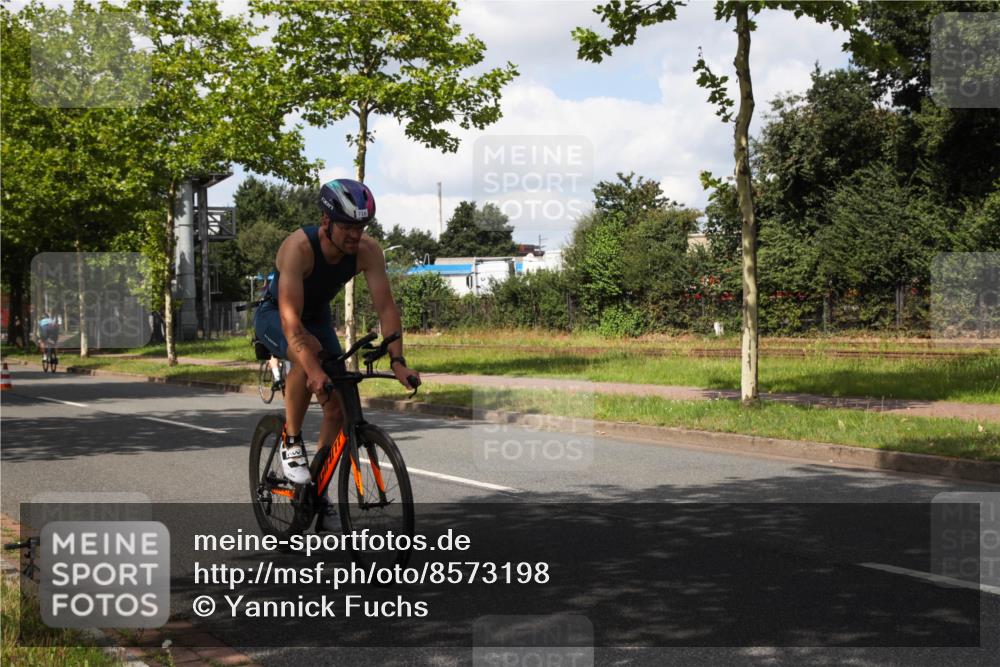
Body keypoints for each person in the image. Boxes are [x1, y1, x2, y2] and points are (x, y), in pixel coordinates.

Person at [253, 178, 419, 484]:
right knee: (310, 356)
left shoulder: (368, 251)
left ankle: (316, 493)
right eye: (347, 227)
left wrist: (398, 361)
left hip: (317, 318)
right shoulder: (298, 248)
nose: (355, 235)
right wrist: (314, 370)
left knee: (339, 410)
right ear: (326, 221)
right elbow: (291, 322)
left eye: (361, 227)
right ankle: (290, 442)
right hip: (276, 314)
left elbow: (386, 307)